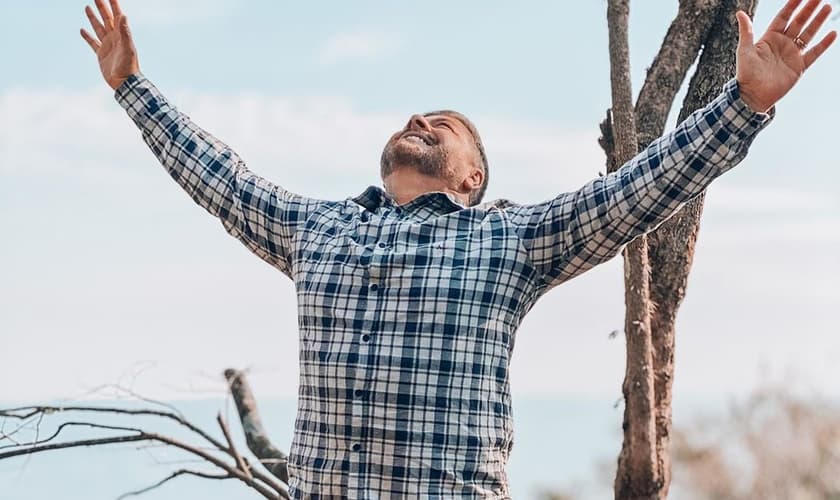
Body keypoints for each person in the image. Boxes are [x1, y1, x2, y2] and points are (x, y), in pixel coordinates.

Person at [80, 0, 834, 497]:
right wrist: (130, 85)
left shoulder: (508, 239)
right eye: (416, 115)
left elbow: (635, 192)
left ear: (473, 176)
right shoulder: (319, 231)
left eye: (442, 122)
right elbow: (221, 179)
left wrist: (743, 106)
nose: (419, 118)